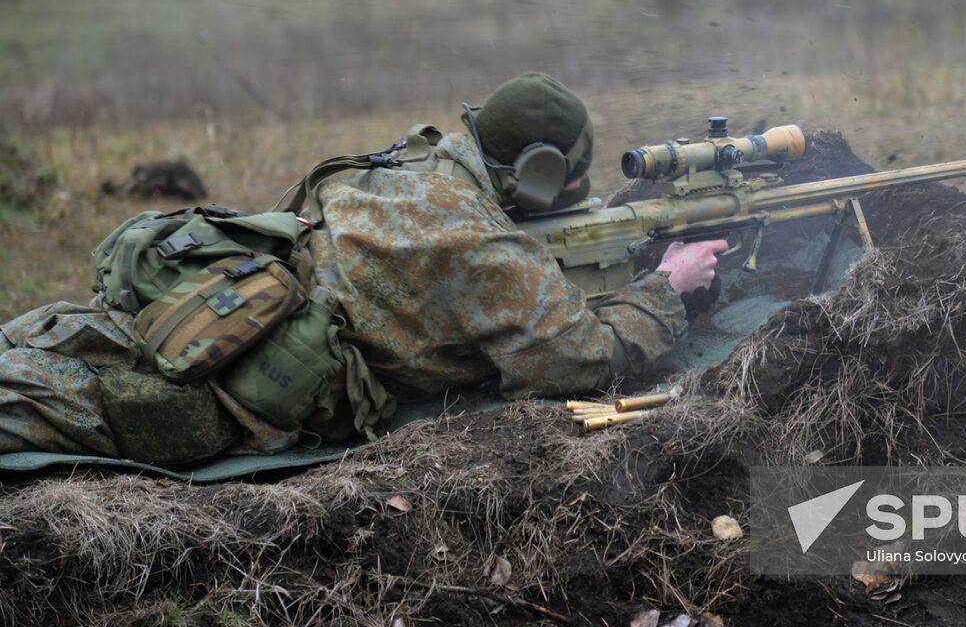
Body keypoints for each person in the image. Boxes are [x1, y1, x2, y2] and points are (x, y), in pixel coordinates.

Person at [0, 72, 724, 463]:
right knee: (48, 404)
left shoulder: (421, 157)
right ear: (537, 175)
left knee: (52, 339)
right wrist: (668, 288)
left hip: (219, 292)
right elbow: (577, 357)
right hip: (239, 373)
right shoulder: (481, 245)